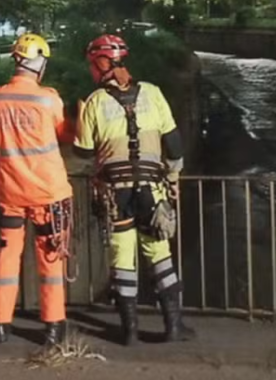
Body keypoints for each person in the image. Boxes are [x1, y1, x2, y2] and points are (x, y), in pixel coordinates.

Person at [74, 34, 195, 346]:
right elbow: (174, 142)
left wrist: (77, 119)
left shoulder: (94, 103)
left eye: (92, 64)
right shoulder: (153, 94)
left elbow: (83, 152)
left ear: (101, 64)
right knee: (159, 255)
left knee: (123, 257)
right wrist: (173, 176)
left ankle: (128, 332)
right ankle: (174, 326)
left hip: (115, 195)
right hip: (152, 191)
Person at [0, 34, 74, 346]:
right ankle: (52, 326)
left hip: (9, 192)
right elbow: (64, 134)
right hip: (47, 193)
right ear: (39, 63)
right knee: (50, 260)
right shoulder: (47, 98)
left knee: (7, 257)